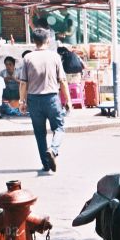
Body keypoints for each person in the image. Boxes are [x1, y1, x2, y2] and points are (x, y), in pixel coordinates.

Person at [19, 27, 71, 173]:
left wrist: (22, 102)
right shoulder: (54, 57)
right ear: (48, 40)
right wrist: (68, 100)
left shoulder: (27, 58)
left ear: (34, 41)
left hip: (33, 100)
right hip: (52, 99)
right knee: (59, 128)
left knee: (39, 133)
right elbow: (63, 80)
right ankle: (53, 150)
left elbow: (23, 82)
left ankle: (46, 164)